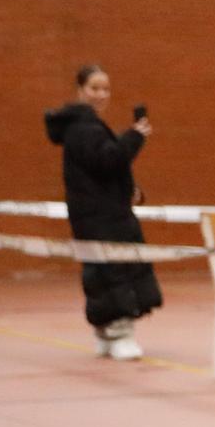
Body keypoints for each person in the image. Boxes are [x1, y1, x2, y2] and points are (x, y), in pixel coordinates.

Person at [43, 65, 160, 360]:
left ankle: (105, 334)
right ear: (80, 90)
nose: (101, 94)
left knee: (100, 272)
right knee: (114, 271)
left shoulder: (85, 127)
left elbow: (101, 171)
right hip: (102, 220)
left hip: (97, 215)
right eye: (95, 88)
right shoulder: (84, 128)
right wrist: (134, 137)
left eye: (106, 89)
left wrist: (129, 191)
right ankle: (120, 335)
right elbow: (109, 161)